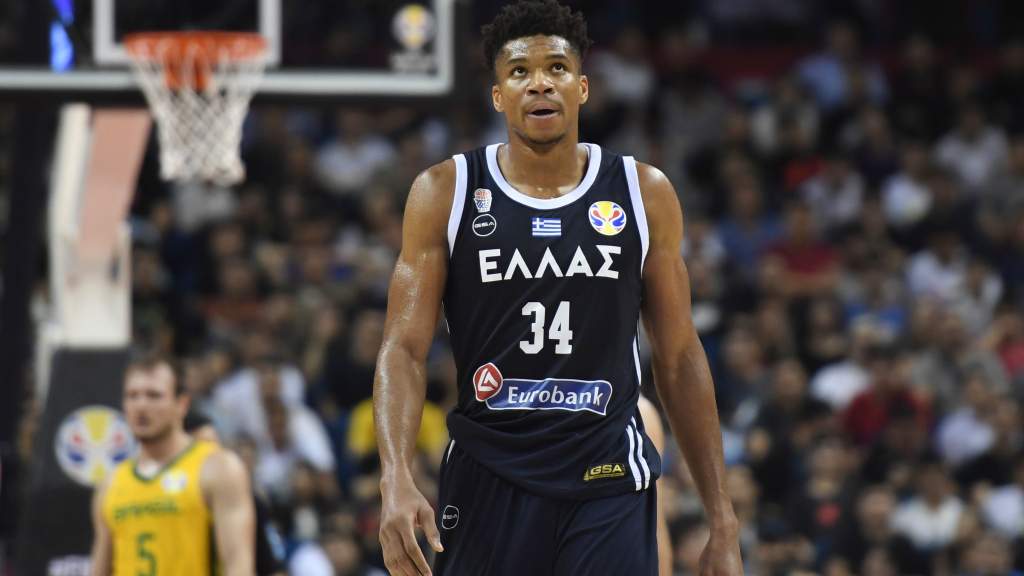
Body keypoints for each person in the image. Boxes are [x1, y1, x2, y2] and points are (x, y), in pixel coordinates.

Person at [373, 2, 741, 575]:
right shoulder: (445, 192)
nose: (539, 83)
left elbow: (679, 355)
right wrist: (395, 475)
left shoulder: (643, 192)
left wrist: (721, 517)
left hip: (605, 472)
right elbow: (403, 348)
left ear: (582, 88)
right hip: (489, 469)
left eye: (557, 68)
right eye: (519, 71)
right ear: (498, 96)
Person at [90, 355, 256, 576]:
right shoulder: (111, 483)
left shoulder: (217, 468)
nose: (141, 405)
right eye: (132, 396)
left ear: (181, 404)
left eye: (154, 395)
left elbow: (238, 565)